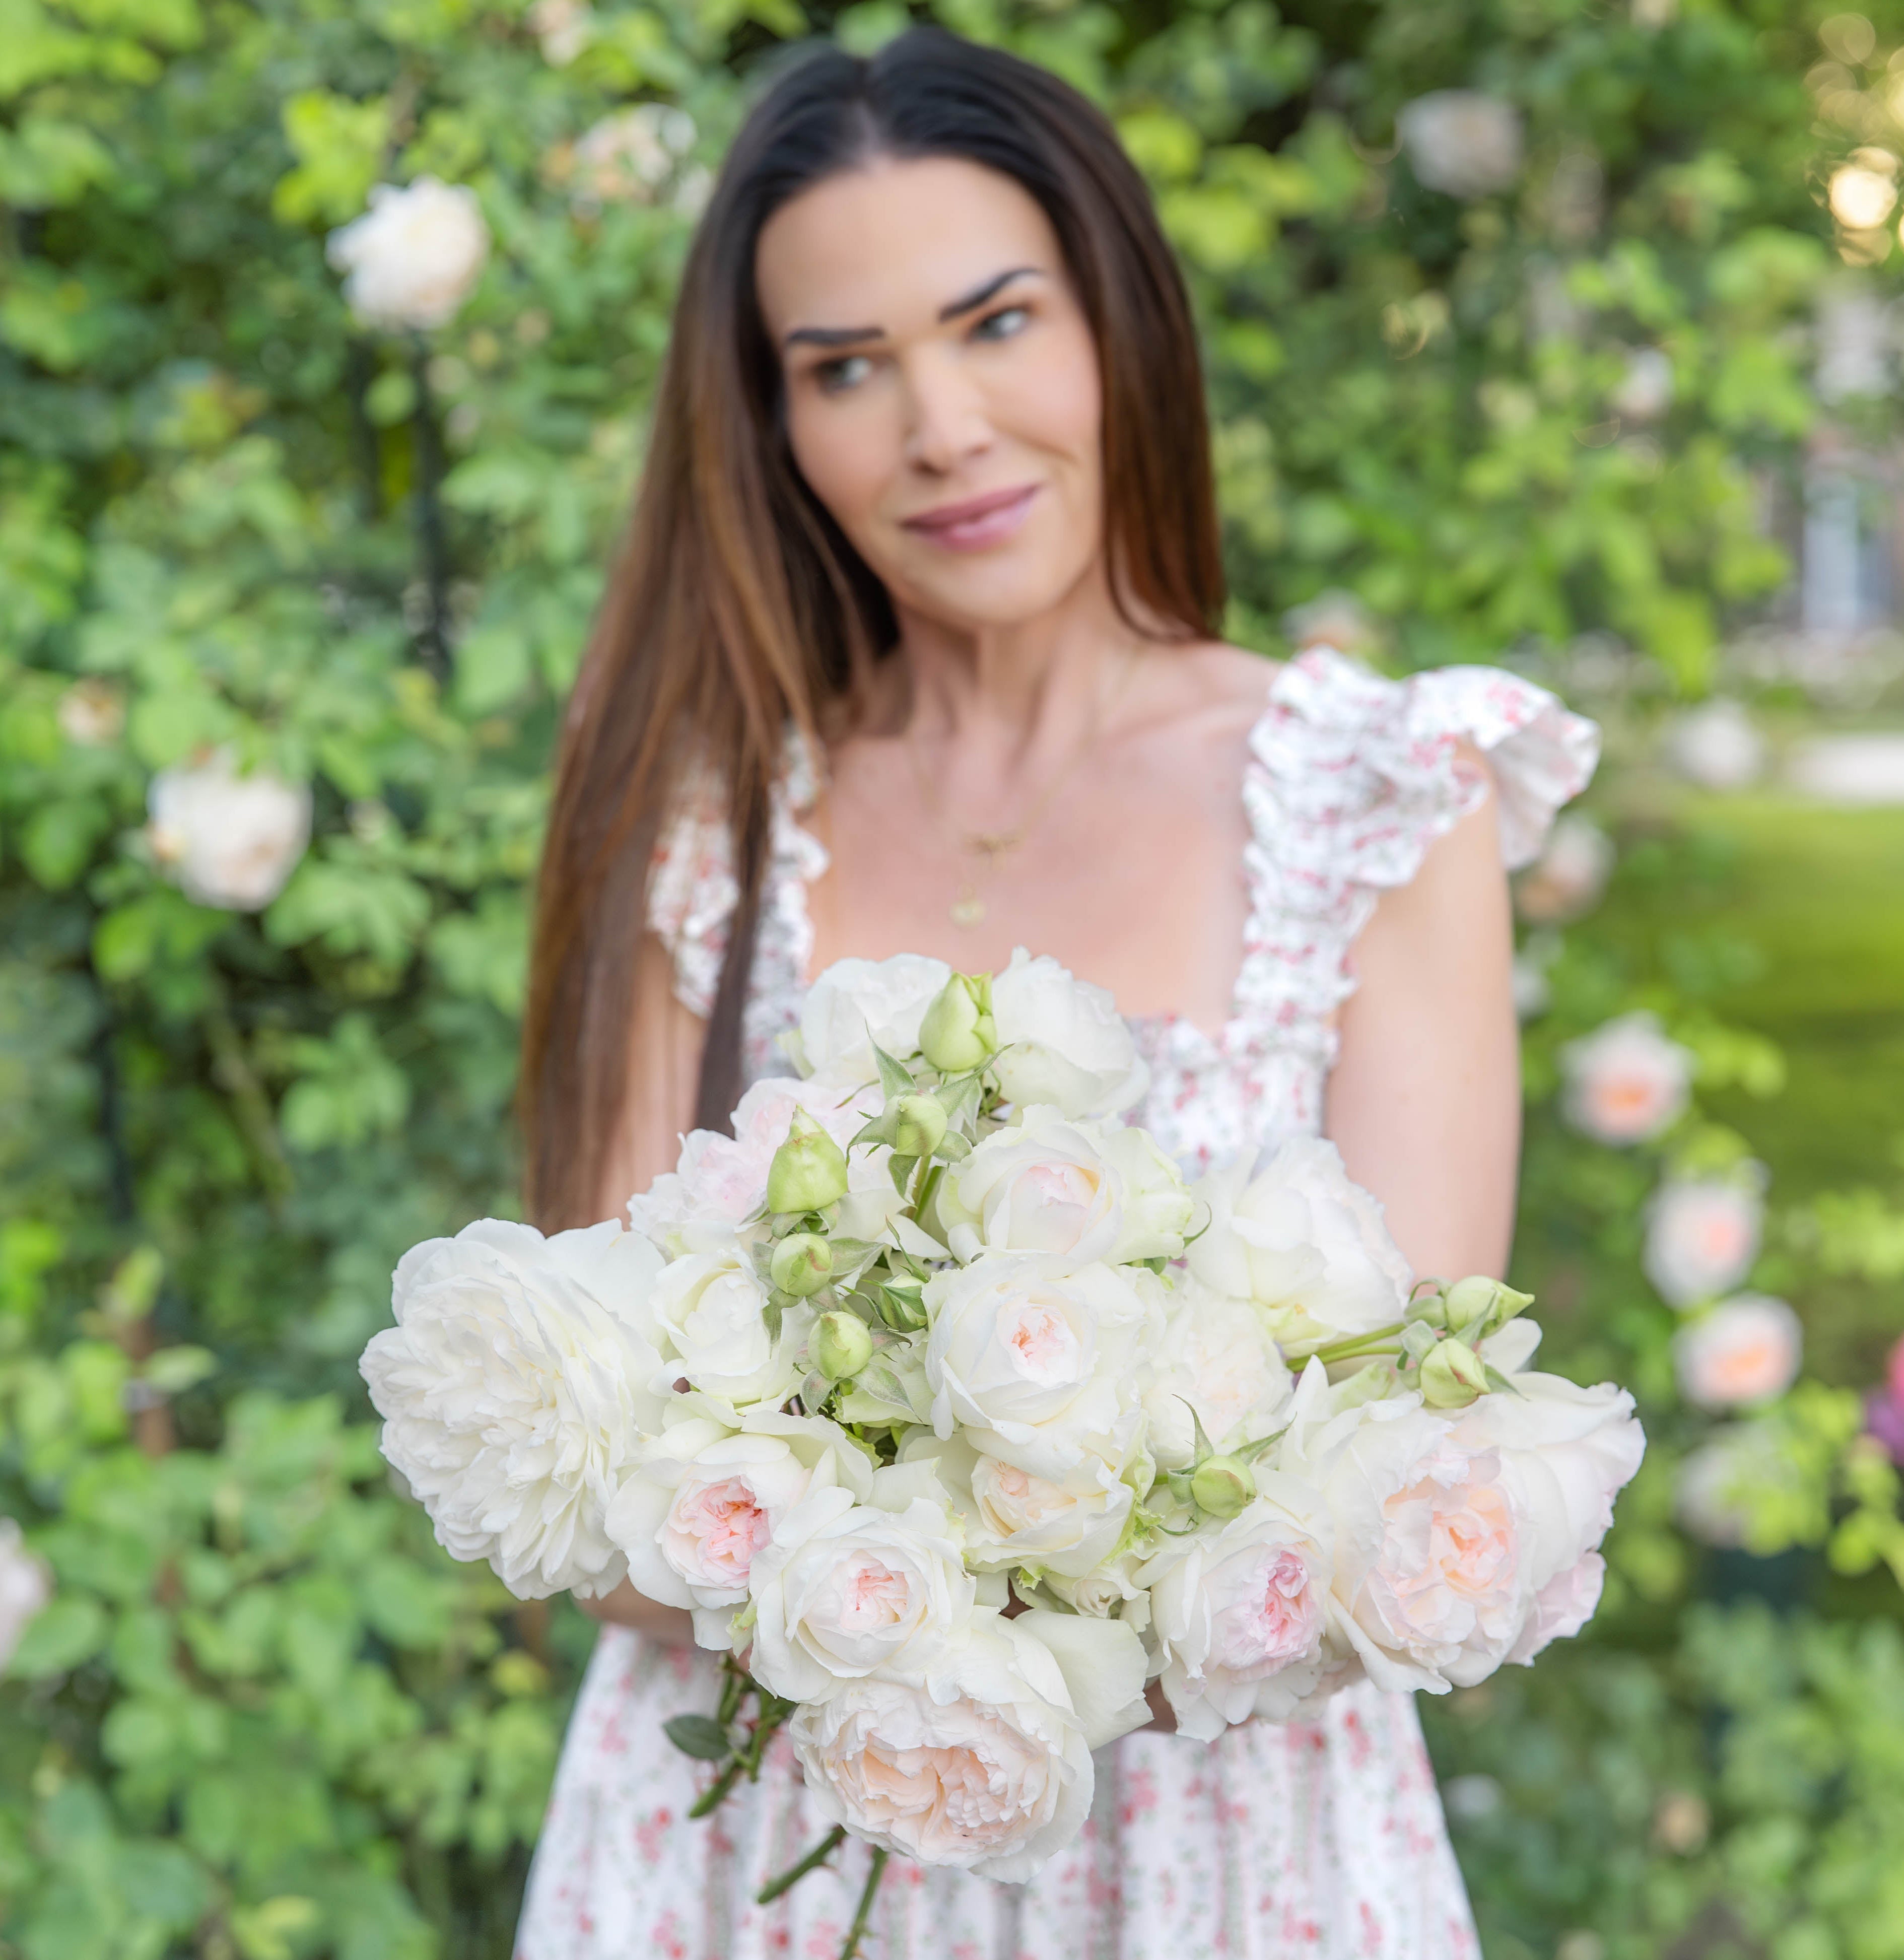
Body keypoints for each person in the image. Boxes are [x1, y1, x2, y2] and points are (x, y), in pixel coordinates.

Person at [514, 28, 1595, 1960]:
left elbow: (1404, 1481)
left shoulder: (1379, 795)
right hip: (761, 1857)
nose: (937, 425)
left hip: (1225, 1857)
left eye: (995, 322)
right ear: (770, 427)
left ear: (1115, 328)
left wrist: (1025, 1653)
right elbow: (588, 1487)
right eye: (844, 368)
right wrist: (878, 1630)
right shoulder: (701, 817)